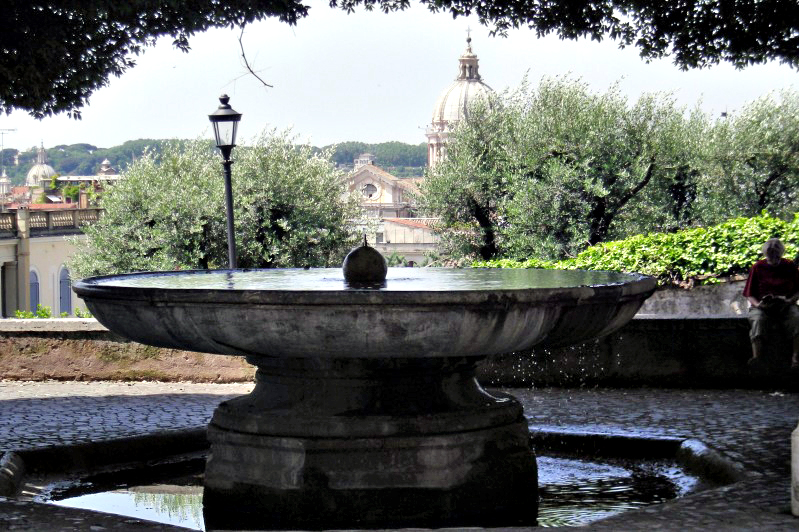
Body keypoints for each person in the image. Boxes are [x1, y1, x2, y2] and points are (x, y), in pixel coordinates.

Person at [742, 238, 799, 369]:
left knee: (797, 318)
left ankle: (796, 358)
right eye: (770, 254)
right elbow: (749, 294)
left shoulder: (790, 266)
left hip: (786, 305)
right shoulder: (757, 267)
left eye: (776, 254)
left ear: (781, 253)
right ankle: (757, 357)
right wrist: (759, 305)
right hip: (762, 307)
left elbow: (798, 290)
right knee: (757, 320)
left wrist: (789, 301)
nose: (773, 257)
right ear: (765, 254)